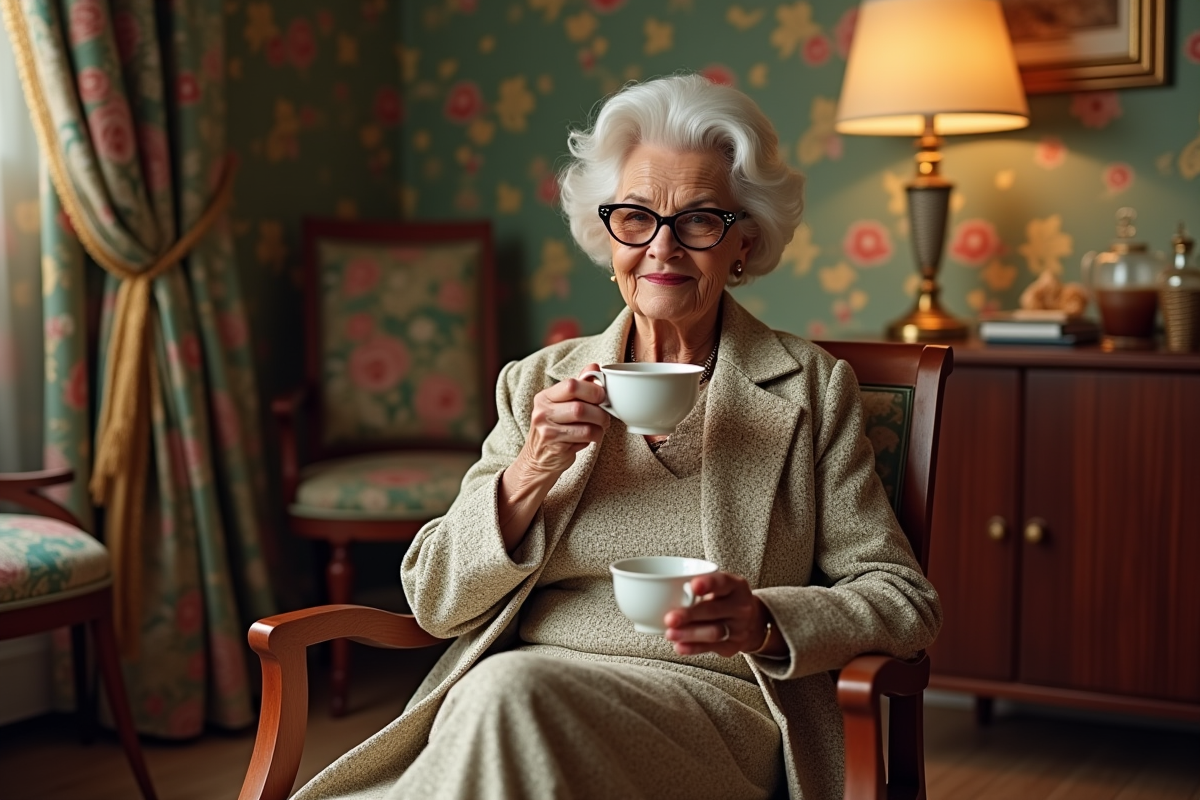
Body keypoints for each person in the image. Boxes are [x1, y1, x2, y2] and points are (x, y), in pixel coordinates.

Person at [293, 74, 942, 800]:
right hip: (512, 703)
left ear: (744, 242)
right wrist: (530, 473)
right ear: (608, 234)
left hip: (712, 712)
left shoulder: (813, 389)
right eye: (636, 217)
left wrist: (762, 620)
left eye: (698, 220)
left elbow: (903, 600)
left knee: (509, 696)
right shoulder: (538, 384)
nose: (662, 248)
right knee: (506, 698)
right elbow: (434, 600)